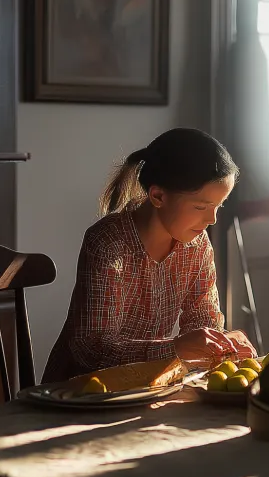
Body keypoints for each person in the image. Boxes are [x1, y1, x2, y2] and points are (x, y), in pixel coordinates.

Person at [43, 128, 255, 383]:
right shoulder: (108, 242)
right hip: (79, 395)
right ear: (158, 196)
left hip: (146, 388)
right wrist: (175, 348)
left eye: (219, 206)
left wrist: (220, 345)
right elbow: (91, 348)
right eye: (201, 206)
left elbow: (202, 322)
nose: (211, 219)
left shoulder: (197, 245)